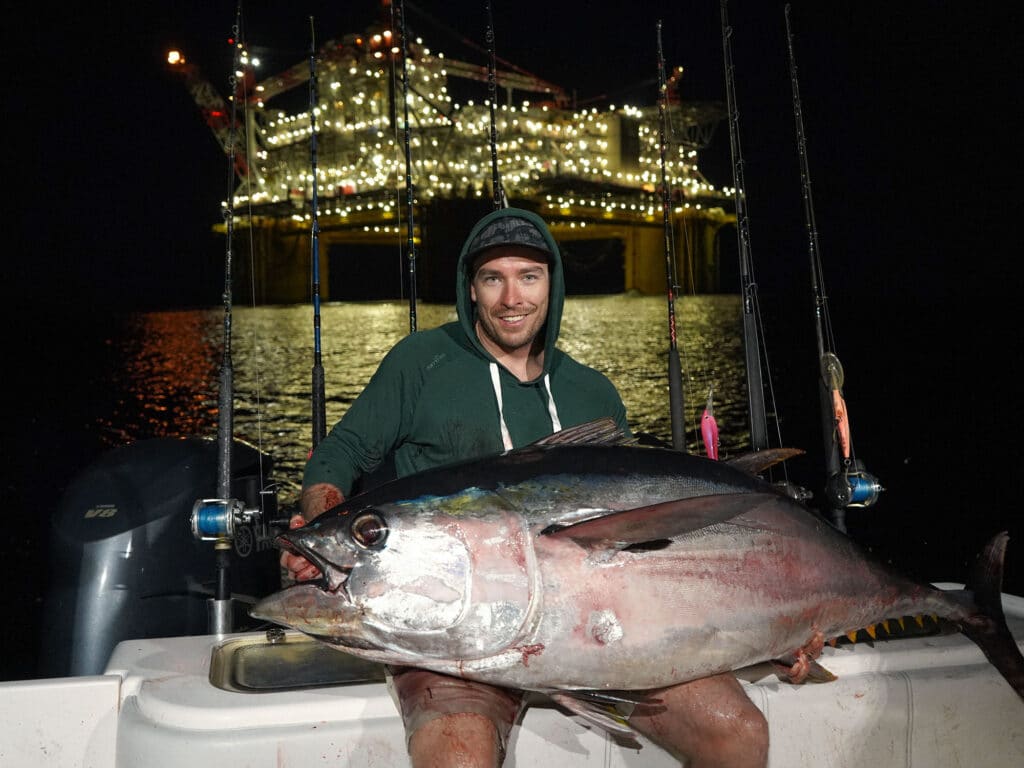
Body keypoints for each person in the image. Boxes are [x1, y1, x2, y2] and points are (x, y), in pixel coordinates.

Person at [282, 206, 769, 768]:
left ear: (552, 285)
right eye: (494, 278)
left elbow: (643, 537)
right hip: (454, 640)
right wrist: (327, 534)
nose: (512, 298)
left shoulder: (592, 393)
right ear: (471, 288)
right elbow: (338, 457)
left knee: (738, 734)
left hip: (600, 632)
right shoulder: (421, 363)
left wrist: (775, 628)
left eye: (528, 277)